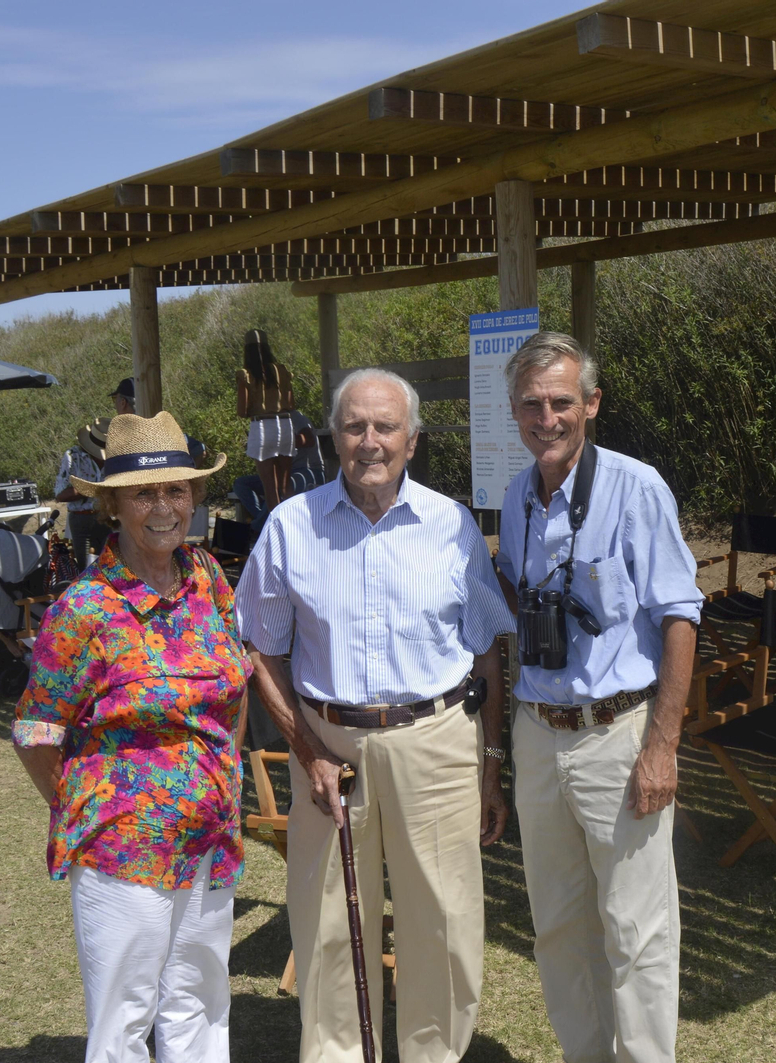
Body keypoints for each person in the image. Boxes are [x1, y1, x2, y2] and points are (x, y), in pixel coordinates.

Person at [235, 368, 511, 1063]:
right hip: (328, 744)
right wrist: (306, 749)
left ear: (411, 439)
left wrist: (491, 764)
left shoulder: (452, 525)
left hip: (437, 739)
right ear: (333, 436)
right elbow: (258, 652)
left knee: (442, 923)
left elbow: (486, 653)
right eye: (354, 425)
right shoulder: (290, 526)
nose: (369, 441)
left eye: (385, 426)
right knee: (328, 922)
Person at [11, 412, 249, 1063]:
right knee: (124, 1020)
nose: (164, 507)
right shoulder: (83, 610)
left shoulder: (207, 577)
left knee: (200, 999)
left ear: (194, 496)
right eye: (145, 493)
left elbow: (236, 682)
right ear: (113, 504)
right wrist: (94, 806)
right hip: (121, 849)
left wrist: (224, 775)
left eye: (176, 490)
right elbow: (35, 732)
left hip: (209, 834)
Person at [494, 332, 701, 1063]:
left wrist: (662, 745)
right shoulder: (517, 497)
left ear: (591, 404)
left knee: (636, 927)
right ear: (513, 410)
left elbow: (681, 615)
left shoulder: (636, 486)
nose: (545, 418)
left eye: (560, 402)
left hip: (618, 732)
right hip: (537, 727)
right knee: (556, 921)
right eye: (530, 404)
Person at [229, 409, 327, 527]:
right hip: (285, 473)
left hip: (309, 471)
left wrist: (282, 441)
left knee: (282, 485)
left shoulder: (295, 416)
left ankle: (258, 526)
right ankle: (264, 521)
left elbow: (309, 439)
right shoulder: (264, 421)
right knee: (241, 484)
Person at [235, 329, 297, 510]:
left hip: (262, 426)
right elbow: (291, 404)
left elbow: (241, 410)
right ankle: (296, 528)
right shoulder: (282, 370)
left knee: (270, 488)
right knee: (286, 485)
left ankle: (276, 533)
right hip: (284, 425)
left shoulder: (246, 374)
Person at [54, 419, 107, 566]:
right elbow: (60, 494)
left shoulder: (116, 458)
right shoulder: (73, 457)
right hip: (82, 520)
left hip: (110, 519)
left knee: (111, 567)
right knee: (87, 569)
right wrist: (93, 489)